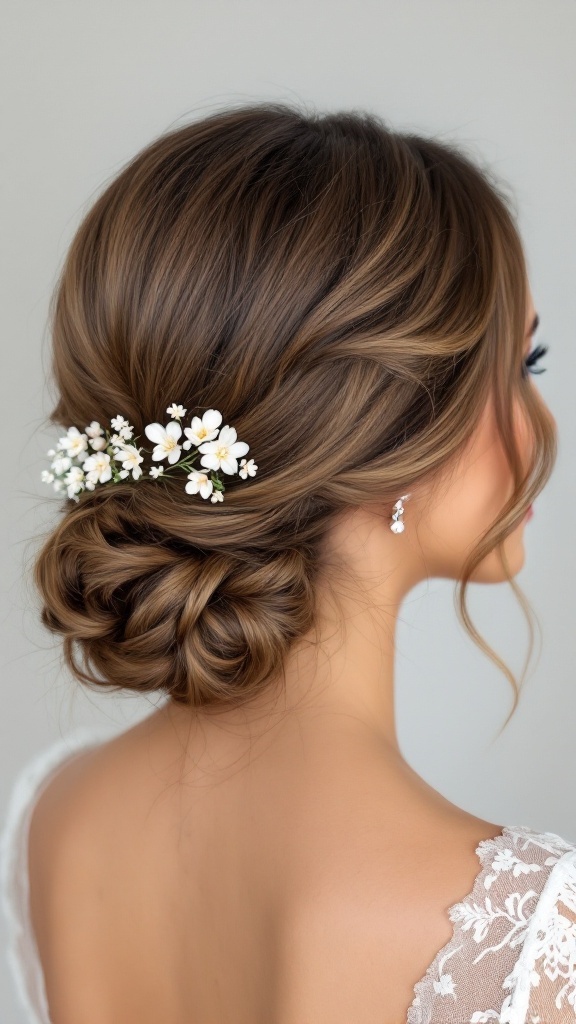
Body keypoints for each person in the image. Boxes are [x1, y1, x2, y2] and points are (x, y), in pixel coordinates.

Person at [1, 101, 574, 1024]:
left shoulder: (57, 817)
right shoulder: (524, 938)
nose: (539, 423)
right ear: (386, 429)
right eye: (521, 364)